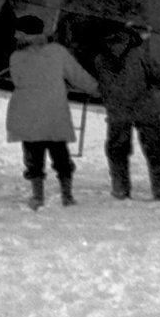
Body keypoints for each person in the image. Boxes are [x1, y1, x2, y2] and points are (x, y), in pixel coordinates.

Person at [6, 14, 98, 209]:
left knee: (33, 157)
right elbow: (77, 75)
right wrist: (97, 89)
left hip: (28, 115)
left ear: (24, 33)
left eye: (18, 32)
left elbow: (19, 80)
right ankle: (67, 195)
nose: (15, 35)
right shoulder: (57, 52)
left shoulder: (16, 56)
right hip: (54, 113)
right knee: (61, 155)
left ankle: (38, 196)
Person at [93, 24, 160, 201]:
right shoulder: (139, 55)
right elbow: (158, 75)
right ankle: (159, 191)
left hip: (118, 111)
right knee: (155, 151)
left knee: (117, 151)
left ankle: (120, 189)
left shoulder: (100, 58)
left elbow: (100, 84)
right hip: (145, 108)